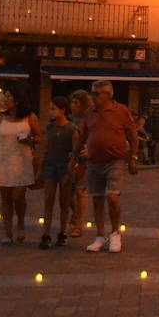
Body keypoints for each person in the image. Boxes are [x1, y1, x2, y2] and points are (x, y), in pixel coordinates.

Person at [79, 79, 138, 253]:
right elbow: (83, 135)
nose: (94, 97)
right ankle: (99, 235)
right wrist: (75, 159)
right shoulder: (90, 113)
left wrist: (133, 157)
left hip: (115, 161)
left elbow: (133, 135)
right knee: (97, 199)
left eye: (97, 94)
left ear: (108, 95)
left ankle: (115, 232)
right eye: (93, 93)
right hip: (94, 161)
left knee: (112, 197)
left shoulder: (121, 111)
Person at [0, 89, 41, 244]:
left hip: (22, 160)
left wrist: (30, 138)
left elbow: (40, 137)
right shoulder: (1, 117)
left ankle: (21, 223)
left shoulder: (29, 117)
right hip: (3, 160)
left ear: (17, 99)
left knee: (18, 196)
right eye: (5, 96)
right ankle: (7, 232)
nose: (5, 99)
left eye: (9, 96)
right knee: (6, 198)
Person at [38, 97, 73, 248]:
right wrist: (41, 166)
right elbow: (46, 148)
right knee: (48, 199)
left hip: (64, 165)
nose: (50, 112)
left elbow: (74, 150)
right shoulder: (50, 128)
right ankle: (46, 234)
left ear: (63, 110)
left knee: (64, 202)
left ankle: (62, 232)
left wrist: (72, 168)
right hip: (51, 164)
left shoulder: (71, 129)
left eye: (53, 109)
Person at [67, 89, 92, 237]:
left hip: (84, 160)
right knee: (68, 193)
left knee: (80, 191)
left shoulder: (91, 120)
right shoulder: (68, 119)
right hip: (69, 158)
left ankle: (78, 225)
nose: (72, 105)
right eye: (72, 102)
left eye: (76, 103)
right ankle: (75, 213)